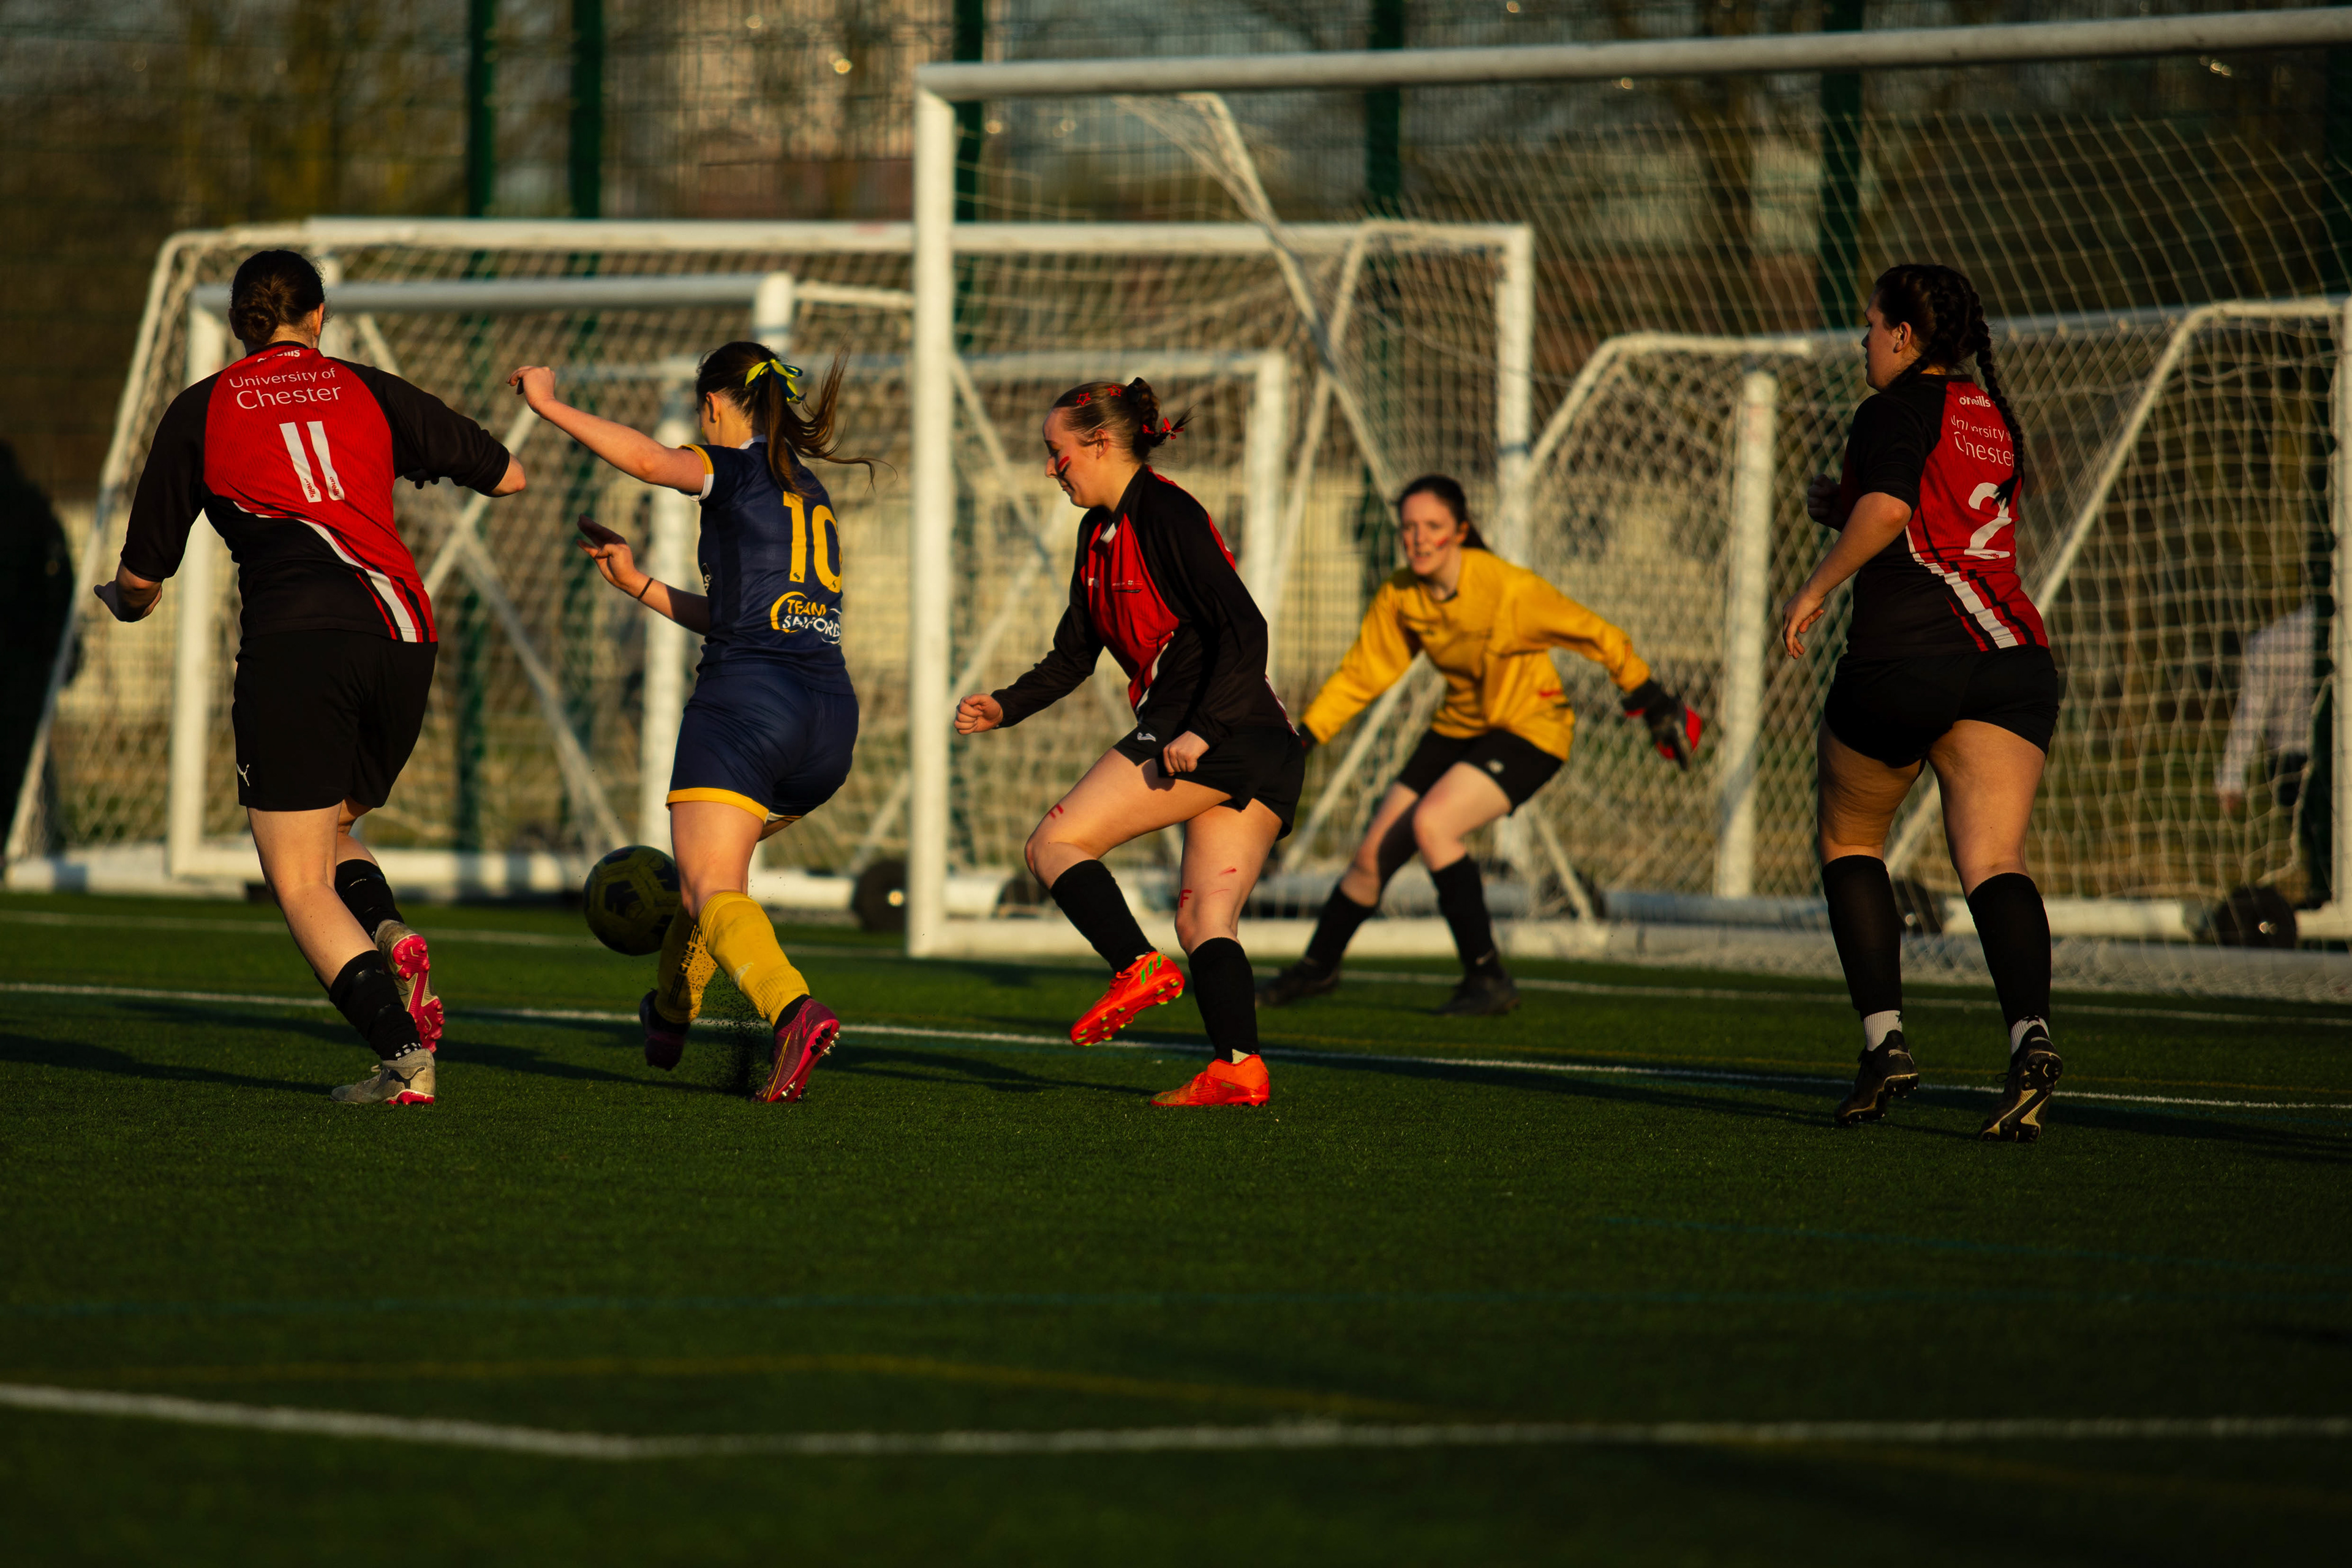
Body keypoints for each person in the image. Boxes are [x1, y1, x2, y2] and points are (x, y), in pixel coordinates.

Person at [100, 249, 525, 1104]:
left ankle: (404, 1061)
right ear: (320, 317)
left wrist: (123, 600)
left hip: (300, 645)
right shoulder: (367, 387)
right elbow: (509, 475)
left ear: (236, 326)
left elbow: (146, 579)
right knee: (324, 828)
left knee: (293, 877)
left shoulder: (203, 408)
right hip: (404, 637)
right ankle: (386, 931)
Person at [509, 344, 867, 1104]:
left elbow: (646, 461)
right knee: (713, 883)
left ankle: (794, 1011)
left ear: (713, 405)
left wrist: (547, 404)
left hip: (748, 705)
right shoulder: (808, 492)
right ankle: (670, 1015)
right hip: (828, 721)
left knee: (708, 883)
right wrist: (638, 582)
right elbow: (741, 615)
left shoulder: (732, 468)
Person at [955, 379, 1302, 1108]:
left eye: (1059, 453)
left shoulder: (1167, 512)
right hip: (1259, 740)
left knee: (1054, 845)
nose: (1053, 468)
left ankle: (1135, 966)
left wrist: (1203, 730)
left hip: (1215, 723)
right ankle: (1238, 1067)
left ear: (1102, 444)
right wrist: (1006, 706)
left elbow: (1248, 630)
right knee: (1205, 918)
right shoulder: (1096, 534)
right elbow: (1074, 655)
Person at [1783, 262, 2064, 1142]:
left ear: (1903, 335)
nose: (1864, 339)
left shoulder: (1892, 406)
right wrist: (1850, 509)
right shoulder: (1991, 414)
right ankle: (2030, 1039)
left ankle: (1885, 1045)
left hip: (1910, 654)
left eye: (1871, 325)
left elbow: (1896, 509)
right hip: (2013, 653)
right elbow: (1940, 516)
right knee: (1993, 859)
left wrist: (1819, 583)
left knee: (1849, 836)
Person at [1256, 475, 1696, 1017]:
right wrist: (1302, 739)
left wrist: (1652, 699)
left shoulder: (1509, 590)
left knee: (1434, 825)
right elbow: (1361, 675)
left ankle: (1488, 978)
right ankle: (1316, 969)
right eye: (1408, 528)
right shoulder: (1401, 594)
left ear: (1461, 531)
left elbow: (1597, 634)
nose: (1418, 539)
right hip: (1459, 728)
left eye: (1432, 527)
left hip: (1531, 731)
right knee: (1373, 854)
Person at [2215, 603, 2330, 905]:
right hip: (2307, 761)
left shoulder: (2272, 640)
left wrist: (2231, 776)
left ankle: (2325, 903)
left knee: (2320, 850)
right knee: (2327, 852)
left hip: (2290, 765)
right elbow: (2251, 712)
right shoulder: (2279, 640)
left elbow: (2251, 712)